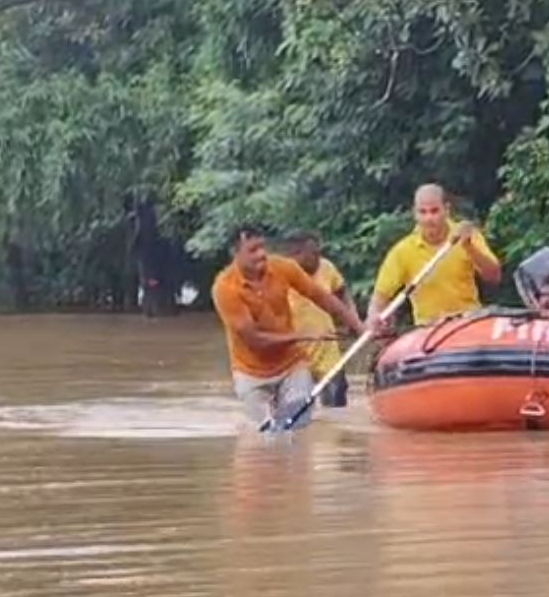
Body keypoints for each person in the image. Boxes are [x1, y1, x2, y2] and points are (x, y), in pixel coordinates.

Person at [212, 225, 364, 430]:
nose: (262, 254)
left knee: (297, 426)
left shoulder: (283, 267)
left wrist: (358, 327)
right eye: (253, 250)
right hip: (251, 374)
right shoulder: (225, 289)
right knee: (266, 433)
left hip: (292, 365)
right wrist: (303, 336)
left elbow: (322, 298)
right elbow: (254, 340)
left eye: (263, 247)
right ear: (235, 253)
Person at [369, 184, 501, 332]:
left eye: (434, 211)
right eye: (423, 212)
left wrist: (469, 247)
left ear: (447, 210)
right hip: (427, 330)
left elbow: (494, 276)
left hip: (467, 323)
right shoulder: (402, 251)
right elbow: (380, 296)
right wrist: (375, 316)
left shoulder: (468, 236)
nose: (429, 218)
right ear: (415, 213)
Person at [285, 231, 357, 408]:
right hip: (295, 354)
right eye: (313, 254)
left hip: (327, 349)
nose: (318, 258)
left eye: (319, 253)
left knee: (336, 404)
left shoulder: (327, 268)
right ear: (296, 255)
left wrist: (352, 320)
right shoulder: (281, 275)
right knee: (299, 409)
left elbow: (342, 293)